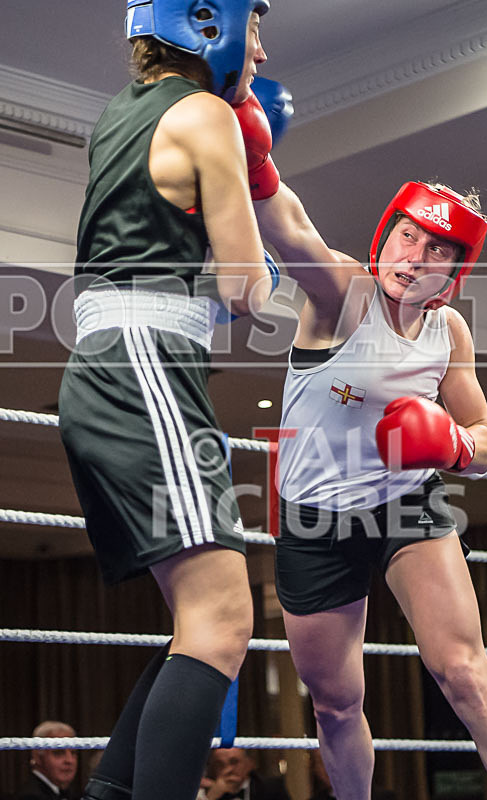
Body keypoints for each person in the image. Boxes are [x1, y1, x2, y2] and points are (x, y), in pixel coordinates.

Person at [250, 179, 487, 800]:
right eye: (407, 235)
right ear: (385, 236)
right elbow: (288, 228)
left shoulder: (450, 332)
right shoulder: (341, 290)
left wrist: (451, 444)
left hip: (404, 506)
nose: (413, 256)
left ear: (455, 269)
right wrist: (253, 162)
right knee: (335, 706)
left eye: (436, 248)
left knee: (467, 675)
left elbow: (486, 443)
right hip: (314, 520)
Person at [57, 2, 279, 800]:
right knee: (224, 619)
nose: (260, 49)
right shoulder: (209, 114)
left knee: (201, 622)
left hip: (113, 367)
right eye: (253, 26)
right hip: (144, 367)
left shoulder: (120, 115)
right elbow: (244, 290)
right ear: (207, 24)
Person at [16, 721, 77, 800]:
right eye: (58, 753)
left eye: (73, 753)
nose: (69, 760)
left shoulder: (68, 793)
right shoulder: (30, 797)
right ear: (38, 756)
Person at [199, 748, 291, 800]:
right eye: (219, 764)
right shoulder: (205, 790)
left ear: (249, 763)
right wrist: (211, 797)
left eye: (234, 762)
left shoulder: (270, 788)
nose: (228, 769)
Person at [307, 749, 396, 800]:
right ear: (314, 769)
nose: (329, 768)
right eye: (322, 762)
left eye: (333, 760)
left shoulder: (383, 797)